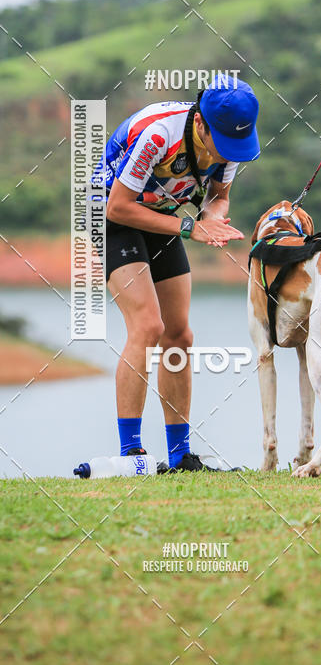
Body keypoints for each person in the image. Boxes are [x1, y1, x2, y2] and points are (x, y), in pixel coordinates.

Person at [102, 78, 259, 472]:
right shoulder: (159, 135)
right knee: (147, 325)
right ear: (202, 124)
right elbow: (117, 208)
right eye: (220, 142)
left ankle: (179, 455)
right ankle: (131, 453)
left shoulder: (230, 141)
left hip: (163, 217)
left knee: (180, 334)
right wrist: (191, 228)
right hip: (113, 214)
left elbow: (219, 197)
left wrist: (212, 218)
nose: (228, 153)